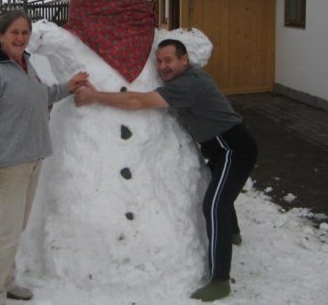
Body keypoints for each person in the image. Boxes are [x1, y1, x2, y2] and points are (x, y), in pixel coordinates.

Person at [75, 38, 258, 302]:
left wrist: (95, 96)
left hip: (233, 148)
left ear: (185, 60)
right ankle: (233, 233)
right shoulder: (189, 80)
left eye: (169, 60)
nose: (163, 66)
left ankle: (220, 280)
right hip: (221, 147)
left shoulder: (188, 85)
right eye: (159, 61)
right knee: (218, 188)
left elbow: (138, 101)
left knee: (214, 205)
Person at [0, 10, 88, 305]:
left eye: (25, 32)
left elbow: (41, 95)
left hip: (32, 160)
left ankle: (6, 282)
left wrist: (67, 87)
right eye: (14, 32)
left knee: (15, 227)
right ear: (1, 35)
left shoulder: (25, 64)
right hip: (8, 164)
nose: (20, 38)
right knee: (5, 231)